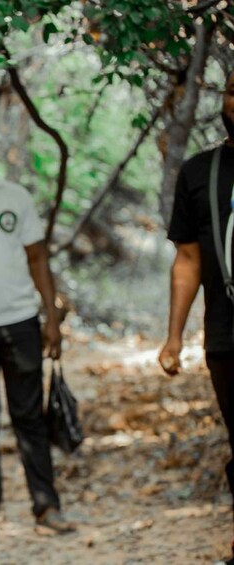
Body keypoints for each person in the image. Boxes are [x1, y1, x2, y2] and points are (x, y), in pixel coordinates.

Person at [0, 123, 76, 534]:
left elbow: (38, 258)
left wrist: (52, 318)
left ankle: (46, 505)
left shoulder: (15, 196)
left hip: (20, 320)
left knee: (30, 416)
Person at [159, 70, 234, 563]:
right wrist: (173, 337)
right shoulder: (200, 172)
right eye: (233, 90)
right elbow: (187, 259)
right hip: (228, 336)